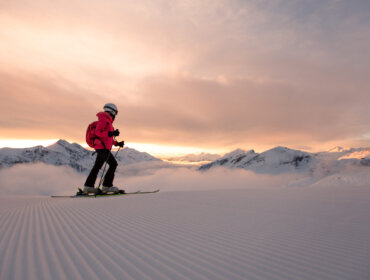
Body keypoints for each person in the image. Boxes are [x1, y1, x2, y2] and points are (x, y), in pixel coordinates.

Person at [84, 103, 124, 194]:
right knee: (113, 164)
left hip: (101, 147)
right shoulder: (104, 120)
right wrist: (111, 134)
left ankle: (88, 186)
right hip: (102, 148)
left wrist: (117, 143)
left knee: (97, 167)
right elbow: (99, 133)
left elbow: (107, 138)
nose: (115, 116)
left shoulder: (107, 121)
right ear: (112, 111)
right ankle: (107, 186)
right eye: (115, 113)